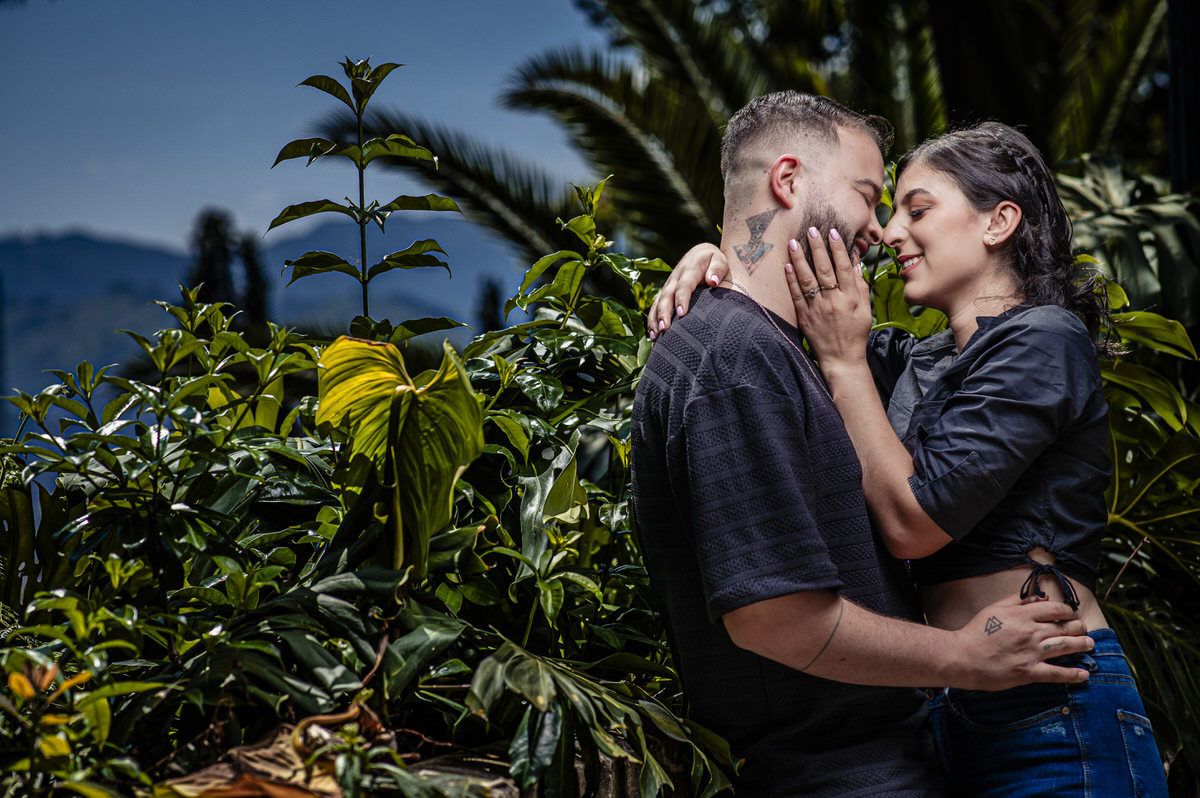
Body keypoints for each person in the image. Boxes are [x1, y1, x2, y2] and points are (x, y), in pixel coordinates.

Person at [648, 121, 1169, 796]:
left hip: (1050, 697)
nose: (890, 233)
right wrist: (713, 257)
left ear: (998, 222)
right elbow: (782, 325)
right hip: (958, 702)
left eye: (917, 209)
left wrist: (841, 357)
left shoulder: (1046, 339)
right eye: (889, 209)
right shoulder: (909, 363)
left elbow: (914, 521)